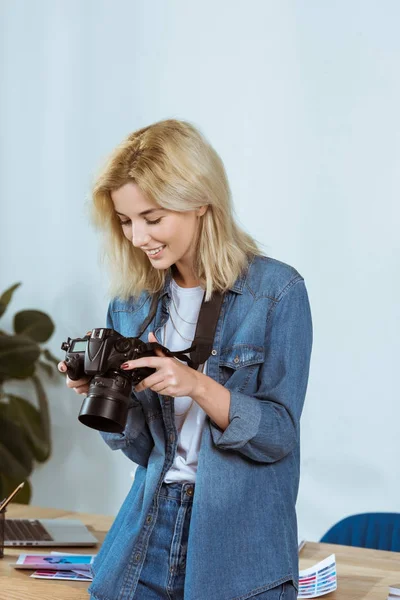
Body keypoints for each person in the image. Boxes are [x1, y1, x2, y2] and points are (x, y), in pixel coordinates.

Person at [58, 119, 313, 600]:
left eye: (152, 218)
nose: (137, 236)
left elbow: (279, 437)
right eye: (126, 221)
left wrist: (196, 385)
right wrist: (107, 400)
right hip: (148, 527)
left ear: (199, 200)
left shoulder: (277, 293)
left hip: (238, 544)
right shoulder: (132, 303)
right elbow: (144, 451)